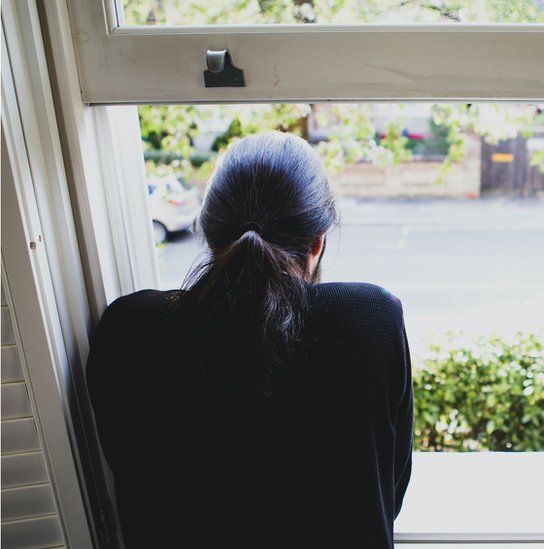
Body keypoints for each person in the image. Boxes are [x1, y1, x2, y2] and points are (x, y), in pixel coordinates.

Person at [86, 132, 413, 547]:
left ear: (207, 233)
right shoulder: (370, 318)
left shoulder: (126, 329)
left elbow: (129, 473)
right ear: (318, 242)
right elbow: (391, 489)